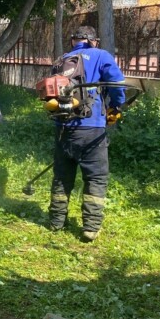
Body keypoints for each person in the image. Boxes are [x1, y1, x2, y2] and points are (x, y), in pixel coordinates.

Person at [48, 25, 125, 242]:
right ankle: (90, 228)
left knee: (62, 177)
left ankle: (56, 221)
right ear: (94, 41)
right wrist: (116, 106)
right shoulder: (101, 55)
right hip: (92, 129)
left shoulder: (61, 60)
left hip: (63, 128)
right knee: (96, 178)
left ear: (74, 41)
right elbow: (117, 85)